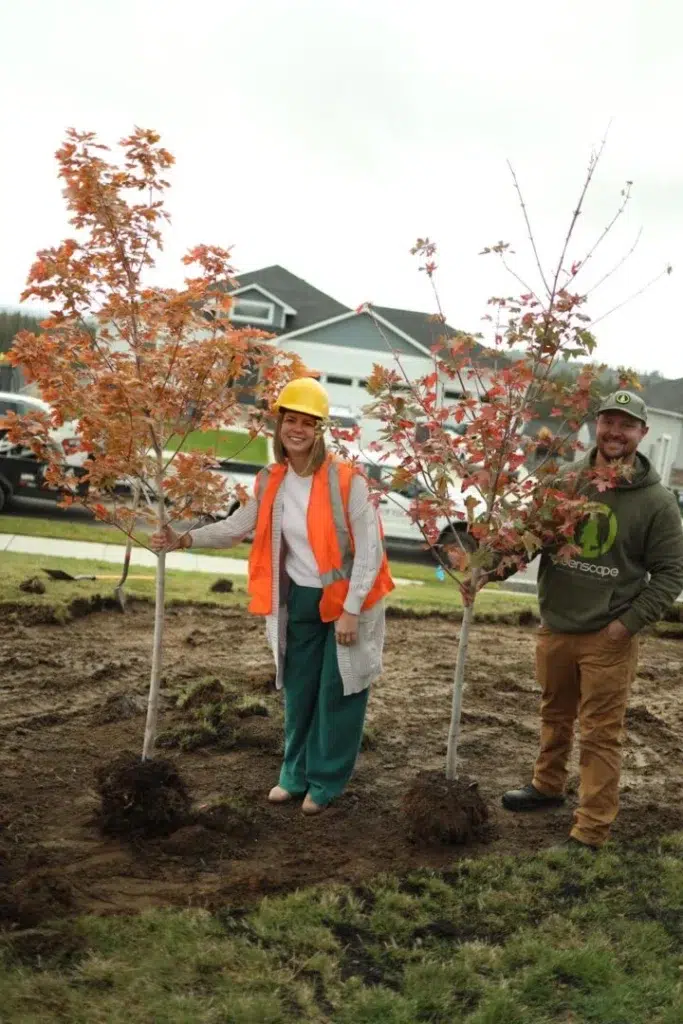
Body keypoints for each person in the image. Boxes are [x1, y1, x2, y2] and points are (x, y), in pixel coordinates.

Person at [151, 377, 394, 815]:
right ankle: (293, 774)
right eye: (290, 420)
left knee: (338, 692)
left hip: (348, 605)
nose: (296, 429)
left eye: (307, 422)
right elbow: (237, 526)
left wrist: (352, 610)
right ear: (279, 425)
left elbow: (371, 551)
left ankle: (325, 782)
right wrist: (182, 539)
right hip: (300, 599)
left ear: (321, 429)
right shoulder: (272, 481)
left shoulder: (346, 481)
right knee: (300, 689)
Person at [477, 391, 683, 851]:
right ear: (595, 425)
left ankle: (591, 828)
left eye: (626, 425)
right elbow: (528, 542)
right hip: (557, 626)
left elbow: (671, 574)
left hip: (609, 636)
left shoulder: (658, 502)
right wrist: (486, 572)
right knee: (554, 715)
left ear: (641, 434)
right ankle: (547, 786)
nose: (615, 432)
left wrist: (625, 626)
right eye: (608, 421)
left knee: (599, 735)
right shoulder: (565, 483)